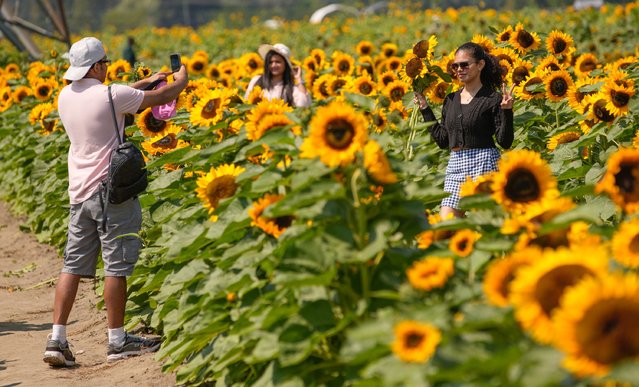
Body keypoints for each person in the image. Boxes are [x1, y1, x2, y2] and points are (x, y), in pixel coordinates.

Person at [43, 36, 188, 367]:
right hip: (111, 192)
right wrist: (180, 80)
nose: (108, 68)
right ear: (96, 66)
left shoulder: (65, 96)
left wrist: (143, 82)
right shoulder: (113, 95)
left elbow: (115, 95)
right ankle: (118, 340)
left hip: (78, 192)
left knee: (73, 265)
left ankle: (57, 338)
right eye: (105, 63)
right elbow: (161, 97)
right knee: (116, 266)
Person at [414, 42, 514, 219]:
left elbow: (504, 142)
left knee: (488, 223)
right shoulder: (451, 100)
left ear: (480, 65)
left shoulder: (493, 99)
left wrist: (506, 111)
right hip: (456, 164)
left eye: (464, 64)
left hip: (485, 163)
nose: (459, 69)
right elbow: (443, 140)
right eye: (456, 65)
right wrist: (425, 109)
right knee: (447, 224)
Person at [244, 43, 311, 107]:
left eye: (278, 62)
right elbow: (246, 102)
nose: (274, 65)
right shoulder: (256, 81)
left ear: (285, 64)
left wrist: (298, 79)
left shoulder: (290, 88)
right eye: (270, 62)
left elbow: (303, 105)